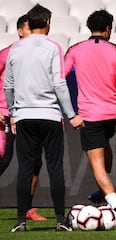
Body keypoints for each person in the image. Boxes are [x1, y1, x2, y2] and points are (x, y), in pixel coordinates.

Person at [4, 4, 84, 232]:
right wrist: (71, 114)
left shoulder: (15, 49)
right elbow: (59, 83)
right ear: (48, 22)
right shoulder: (52, 47)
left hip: (24, 117)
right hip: (49, 115)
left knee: (25, 169)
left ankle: (21, 221)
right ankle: (60, 220)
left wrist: (12, 113)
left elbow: (8, 85)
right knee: (55, 167)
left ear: (29, 23)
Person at [64, 10, 116, 209]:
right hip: (111, 114)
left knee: (97, 166)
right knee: (104, 147)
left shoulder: (75, 49)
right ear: (108, 28)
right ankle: (102, 191)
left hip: (90, 115)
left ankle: (115, 206)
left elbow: (60, 76)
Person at [0, 14, 47, 222]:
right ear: (20, 31)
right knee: (3, 159)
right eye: (30, 29)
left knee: (35, 162)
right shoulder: (7, 54)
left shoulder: (43, 54)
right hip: (7, 115)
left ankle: (27, 208)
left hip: (32, 113)